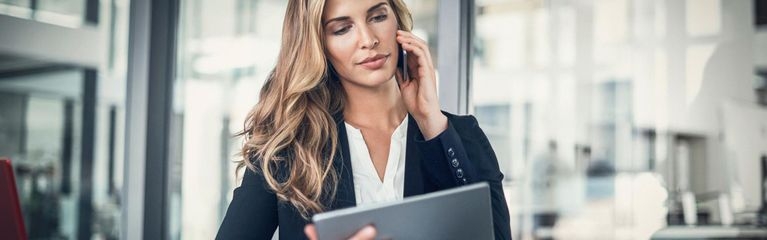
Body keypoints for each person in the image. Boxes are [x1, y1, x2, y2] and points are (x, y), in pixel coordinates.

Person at [216, 0, 511, 239]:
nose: (368, 40)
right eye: (342, 29)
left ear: (398, 22)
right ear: (319, 45)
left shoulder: (459, 134)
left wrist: (432, 123)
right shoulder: (288, 147)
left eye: (378, 16)